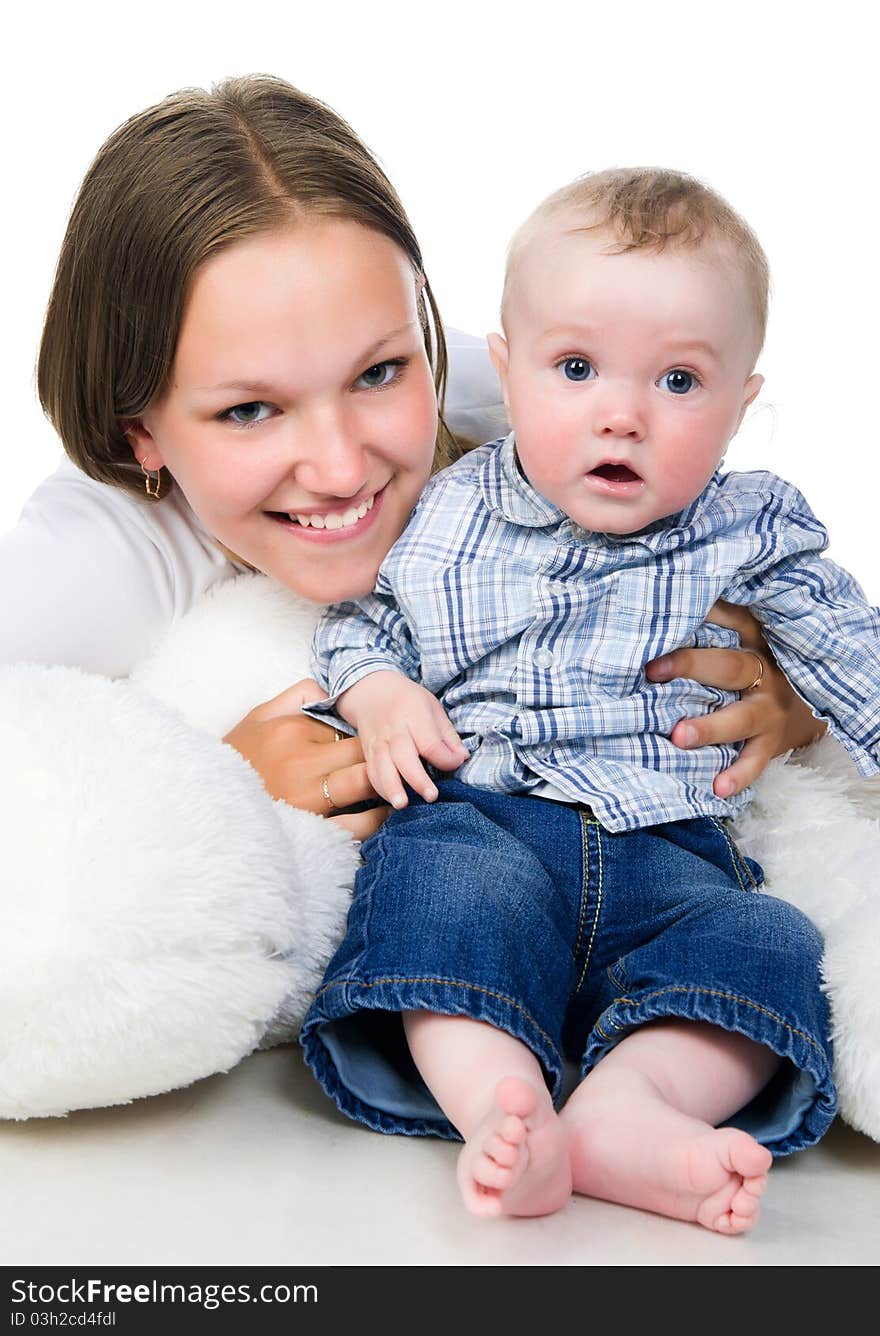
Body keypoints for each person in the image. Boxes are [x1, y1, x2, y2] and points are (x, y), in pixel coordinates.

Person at [1, 77, 818, 833]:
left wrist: (798, 700)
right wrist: (207, 791)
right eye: (249, 410)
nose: (341, 469)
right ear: (136, 430)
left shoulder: (524, 407)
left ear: (423, 325)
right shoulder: (86, 569)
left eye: (379, 372)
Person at [298, 168, 873, 1232]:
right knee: (433, 893)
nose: (622, 414)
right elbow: (363, 621)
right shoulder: (447, 512)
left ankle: (629, 1109)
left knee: (766, 941)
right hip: (489, 823)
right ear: (506, 374)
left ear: (743, 402)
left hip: (674, 854)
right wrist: (377, 691)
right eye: (575, 367)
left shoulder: (749, 527)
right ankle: (498, 1103)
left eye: (679, 383)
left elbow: (850, 650)